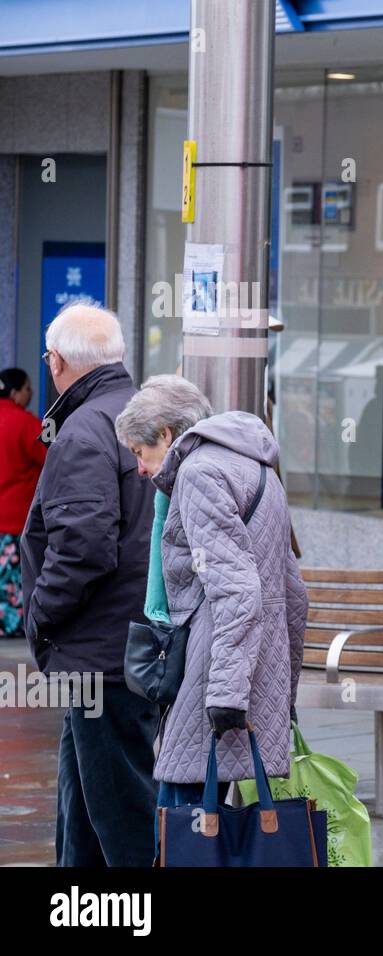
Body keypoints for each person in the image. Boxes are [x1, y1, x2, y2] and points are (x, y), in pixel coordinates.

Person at [114, 375, 308, 835]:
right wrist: (285, 687)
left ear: (165, 433)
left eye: (140, 454)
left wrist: (224, 694)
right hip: (251, 665)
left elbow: (236, 589)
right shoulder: (257, 468)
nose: (141, 470)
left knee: (182, 824)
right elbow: (294, 595)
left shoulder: (199, 475)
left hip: (213, 673)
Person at [20, 302, 157, 866]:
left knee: (121, 812)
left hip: (102, 653)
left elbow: (83, 547)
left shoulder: (84, 428)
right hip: (130, 645)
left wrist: (40, 617)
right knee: (85, 805)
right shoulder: (139, 414)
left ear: (56, 361)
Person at [0, 368, 46, 638]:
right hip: (14, 520)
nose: (30, 394)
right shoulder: (27, 424)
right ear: (16, 392)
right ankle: (12, 628)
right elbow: (52, 460)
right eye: (28, 388)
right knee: (13, 582)